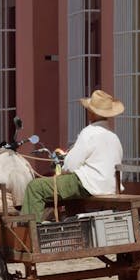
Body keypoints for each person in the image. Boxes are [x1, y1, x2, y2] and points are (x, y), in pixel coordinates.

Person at [21, 89, 125, 220]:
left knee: (35, 187)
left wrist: (63, 171)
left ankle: (29, 233)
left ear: (91, 113)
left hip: (89, 184)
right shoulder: (114, 136)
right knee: (68, 190)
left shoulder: (89, 132)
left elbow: (71, 165)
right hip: (110, 186)